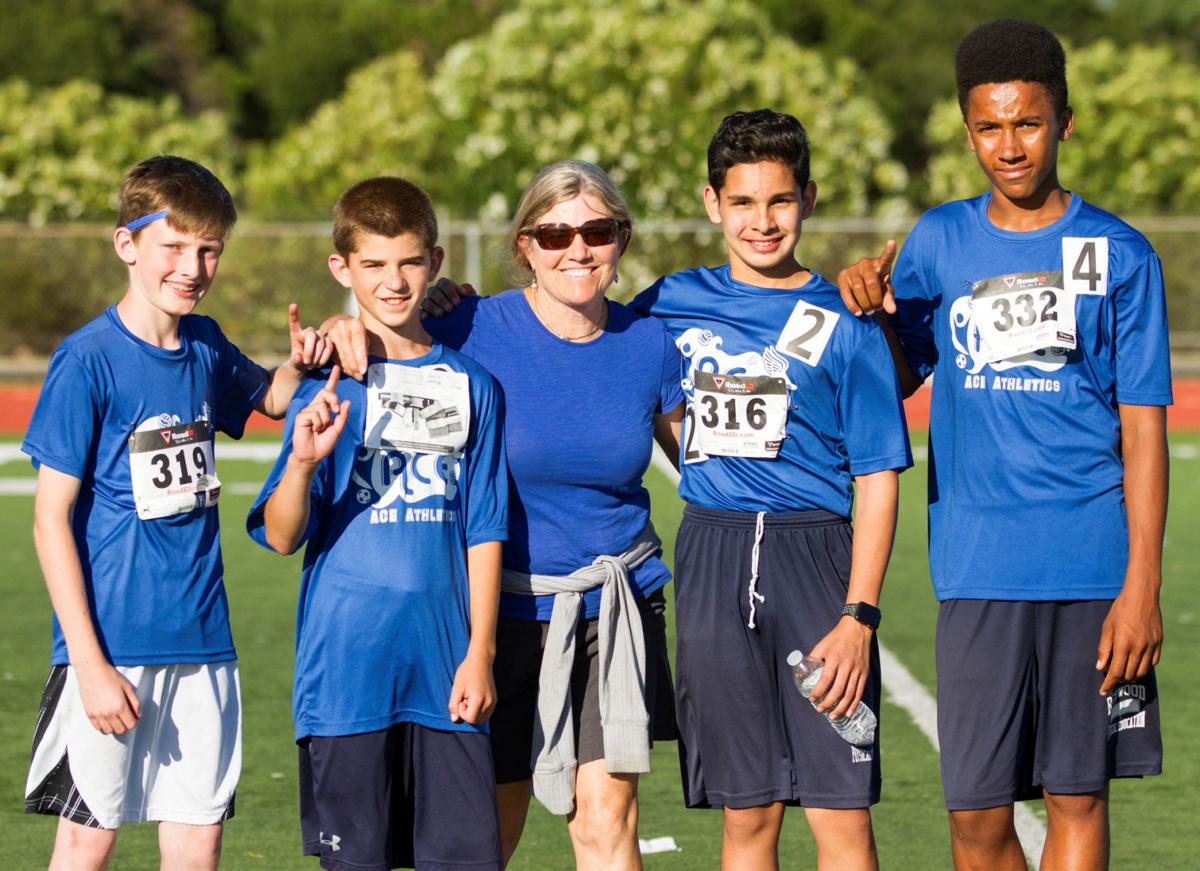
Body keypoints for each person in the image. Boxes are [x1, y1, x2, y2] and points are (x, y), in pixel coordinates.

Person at [838, 19, 1169, 870]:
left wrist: (1141, 588)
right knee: (977, 821)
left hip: (1091, 565)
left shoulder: (1121, 255)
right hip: (977, 565)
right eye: (989, 126)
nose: (1009, 145)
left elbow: (1143, 430)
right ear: (967, 129)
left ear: (1064, 120)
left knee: (1076, 797)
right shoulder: (940, 240)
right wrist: (869, 309)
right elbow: (897, 374)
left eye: (1027, 122)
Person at [326, 160, 684, 870]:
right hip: (495, 617)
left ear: (622, 238)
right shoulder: (466, 323)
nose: (576, 249)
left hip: (614, 609)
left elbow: (708, 465)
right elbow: (384, 316)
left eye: (596, 230)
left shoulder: (651, 343)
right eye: (553, 233)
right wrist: (339, 334)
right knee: (489, 829)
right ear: (525, 245)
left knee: (607, 819)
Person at [22, 155, 328, 871]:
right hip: (110, 648)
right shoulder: (87, 360)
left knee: (197, 841)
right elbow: (49, 521)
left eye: (209, 249)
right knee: (87, 840)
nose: (192, 266)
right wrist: (90, 664)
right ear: (127, 244)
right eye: (174, 247)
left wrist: (298, 366)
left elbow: (272, 398)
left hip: (202, 641)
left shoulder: (205, 343)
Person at [629, 110, 911, 871]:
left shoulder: (844, 319)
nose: (763, 221)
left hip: (817, 560)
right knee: (746, 815)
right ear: (713, 202)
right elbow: (590, 346)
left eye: (780, 201)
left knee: (839, 816)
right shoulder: (667, 304)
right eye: (744, 202)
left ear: (809, 200)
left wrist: (859, 614)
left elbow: (878, 476)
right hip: (713, 555)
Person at [246, 177, 508, 871]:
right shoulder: (326, 384)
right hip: (345, 678)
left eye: (410, 261)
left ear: (437, 261)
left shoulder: (474, 385)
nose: (394, 282)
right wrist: (301, 464)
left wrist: (480, 651)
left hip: (445, 672)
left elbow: (484, 528)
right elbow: (279, 534)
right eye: (373, 264)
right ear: (342, 268)